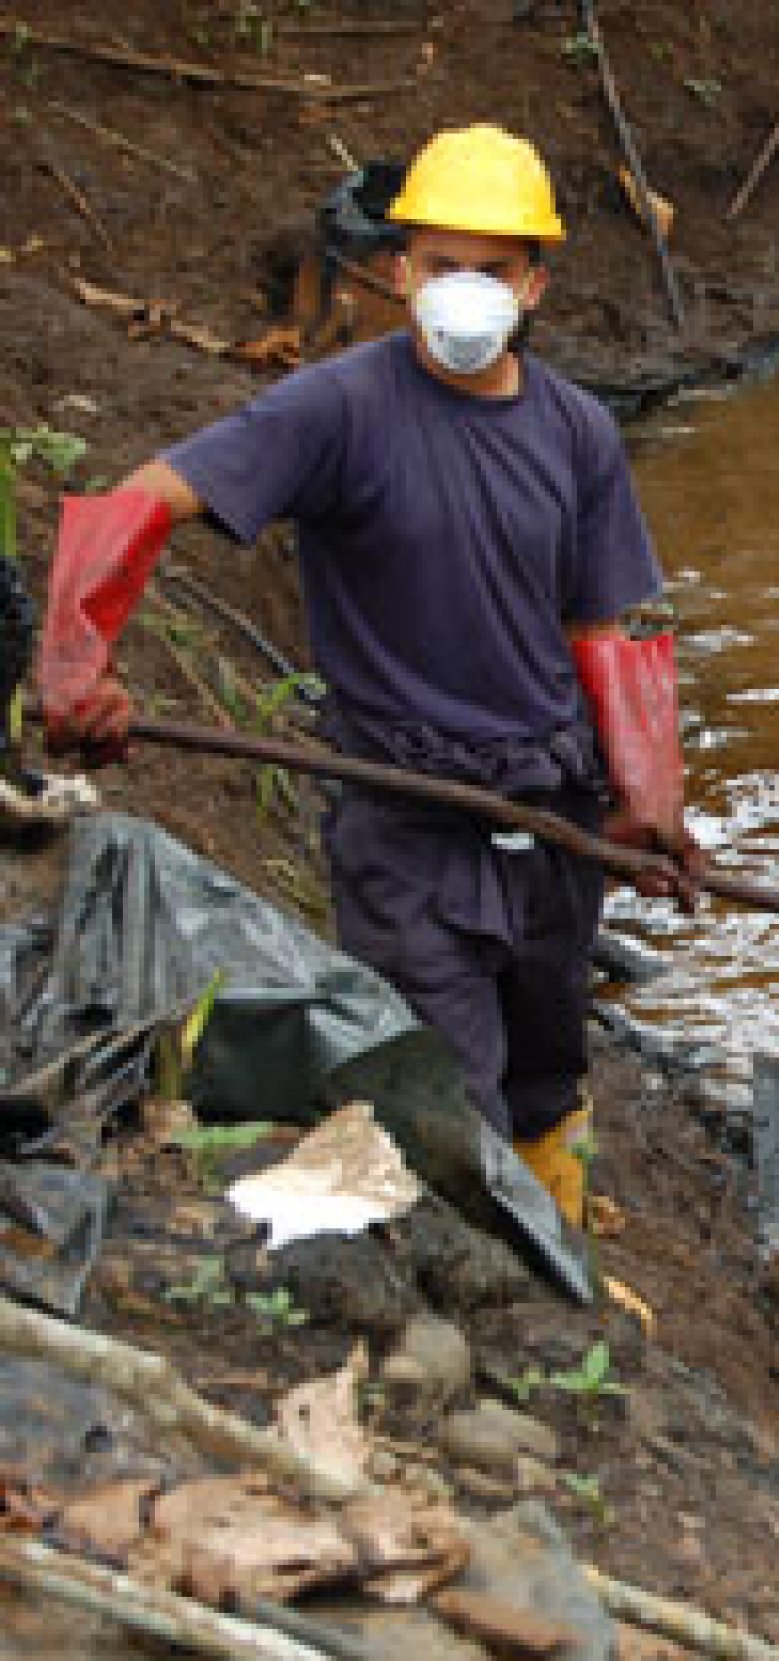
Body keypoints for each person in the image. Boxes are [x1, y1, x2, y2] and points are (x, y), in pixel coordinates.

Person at [34, 124, 701, 1226]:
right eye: (442, 265)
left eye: (493, 270)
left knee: (546, 1065)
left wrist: (648, 796)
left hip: (549, 813)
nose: (465, 291)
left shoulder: (577, 431)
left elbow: (609, 626)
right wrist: (75, 657)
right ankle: (518, 1312)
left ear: (535, 282)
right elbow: (141, 500)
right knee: (455, 1096)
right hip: (409, 829)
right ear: (398, 271)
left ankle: (568, 1249)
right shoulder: (338, 409)